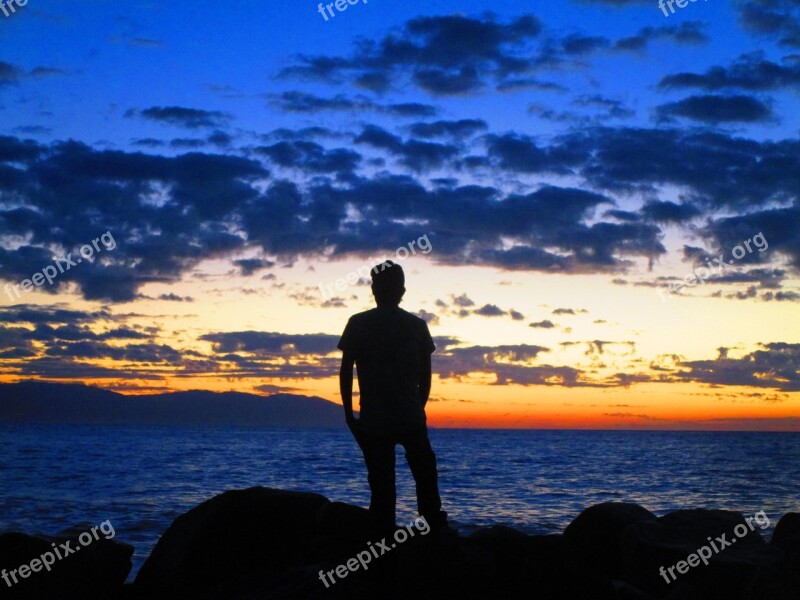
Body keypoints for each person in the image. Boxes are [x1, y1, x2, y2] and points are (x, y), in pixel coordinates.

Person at [338, 260, 447, 534]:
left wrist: (350, 414)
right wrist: (417, 408)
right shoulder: (415, 326)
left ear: (376, 290)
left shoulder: (359, 323)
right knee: (423, 474)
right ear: (402, 290)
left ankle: (384, 538)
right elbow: (427, 376)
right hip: (404, 414)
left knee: (383, 482)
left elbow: (345, 372)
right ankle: (430, 531)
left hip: (377, 416)